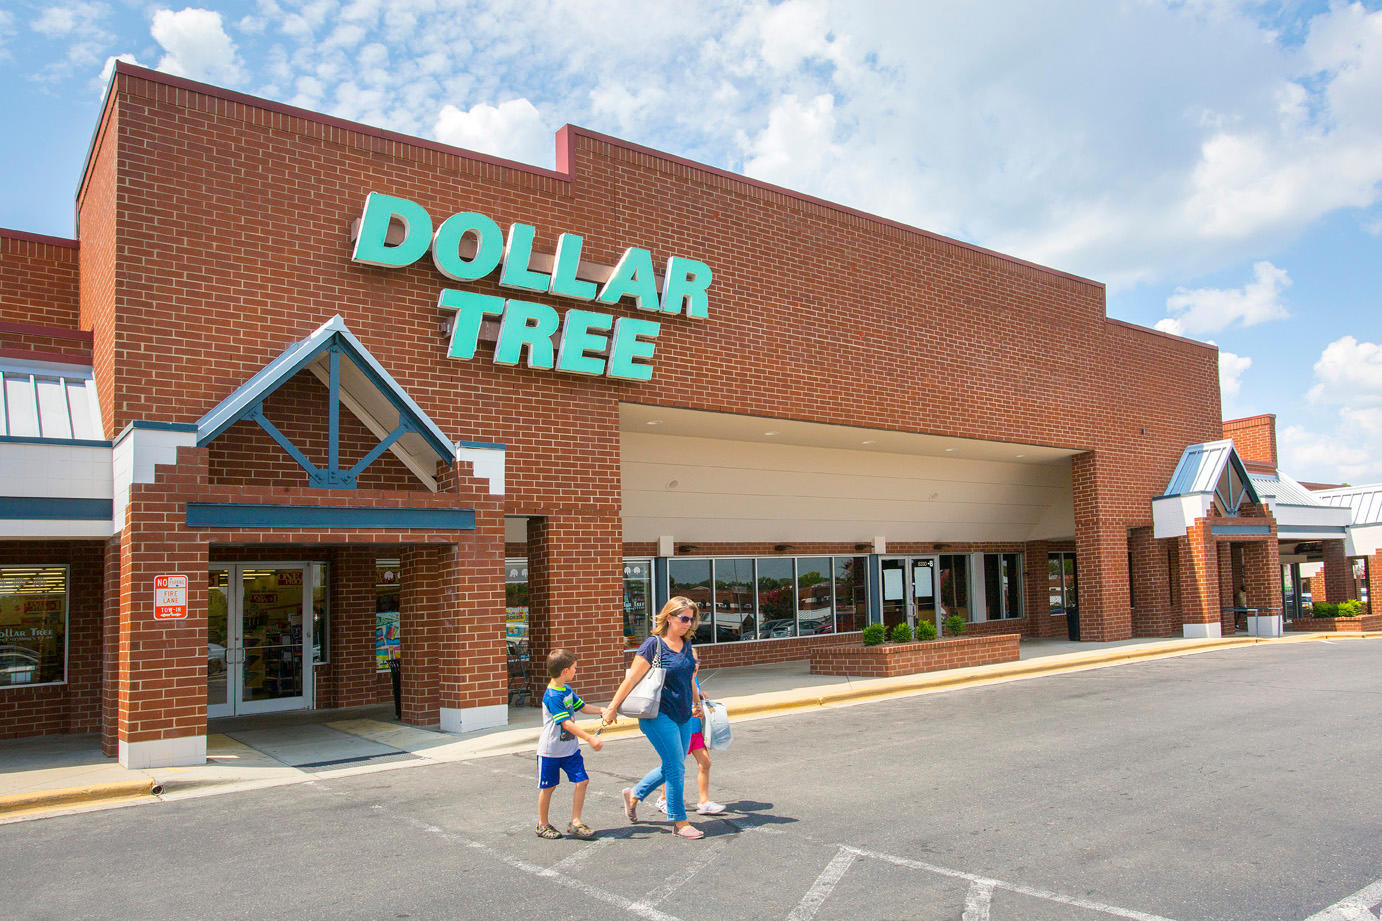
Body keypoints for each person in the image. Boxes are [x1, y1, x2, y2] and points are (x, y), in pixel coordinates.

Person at [602, 596, 706, 839]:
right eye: (684, 619)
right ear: (669, 617)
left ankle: (635, 794)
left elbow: (689, 678)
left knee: (674, 764)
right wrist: (612, 708)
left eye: (691, 620)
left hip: (683, 714)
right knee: (675, 767)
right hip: (657, 714)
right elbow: (631, 679)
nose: (688, 624)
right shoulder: (653, 645)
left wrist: (697, 703)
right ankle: (679, 822)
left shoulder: (687, 645)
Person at [536, 648, 603, 840]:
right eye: (574, 668)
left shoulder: (566, 690)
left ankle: (575, 822)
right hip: (551, 751)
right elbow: (566, 723)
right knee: (548, 787)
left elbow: (582, 707)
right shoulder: (552, 696)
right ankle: (542, 824)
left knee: (582, 781)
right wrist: (590, 738)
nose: (576, 671)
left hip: (570, 750)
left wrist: (602, 710)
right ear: (565, 671)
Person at [656, 673, 725, 816]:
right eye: (693, 661)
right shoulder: (678, 676)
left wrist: (701, 697)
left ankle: (704, 801)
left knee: (705, 763)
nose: (696, 665)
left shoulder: (693, 678)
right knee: (673, 766)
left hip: (695, 730)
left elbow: (694, 697)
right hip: (681, 730)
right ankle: (663, 799)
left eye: (697, 661)